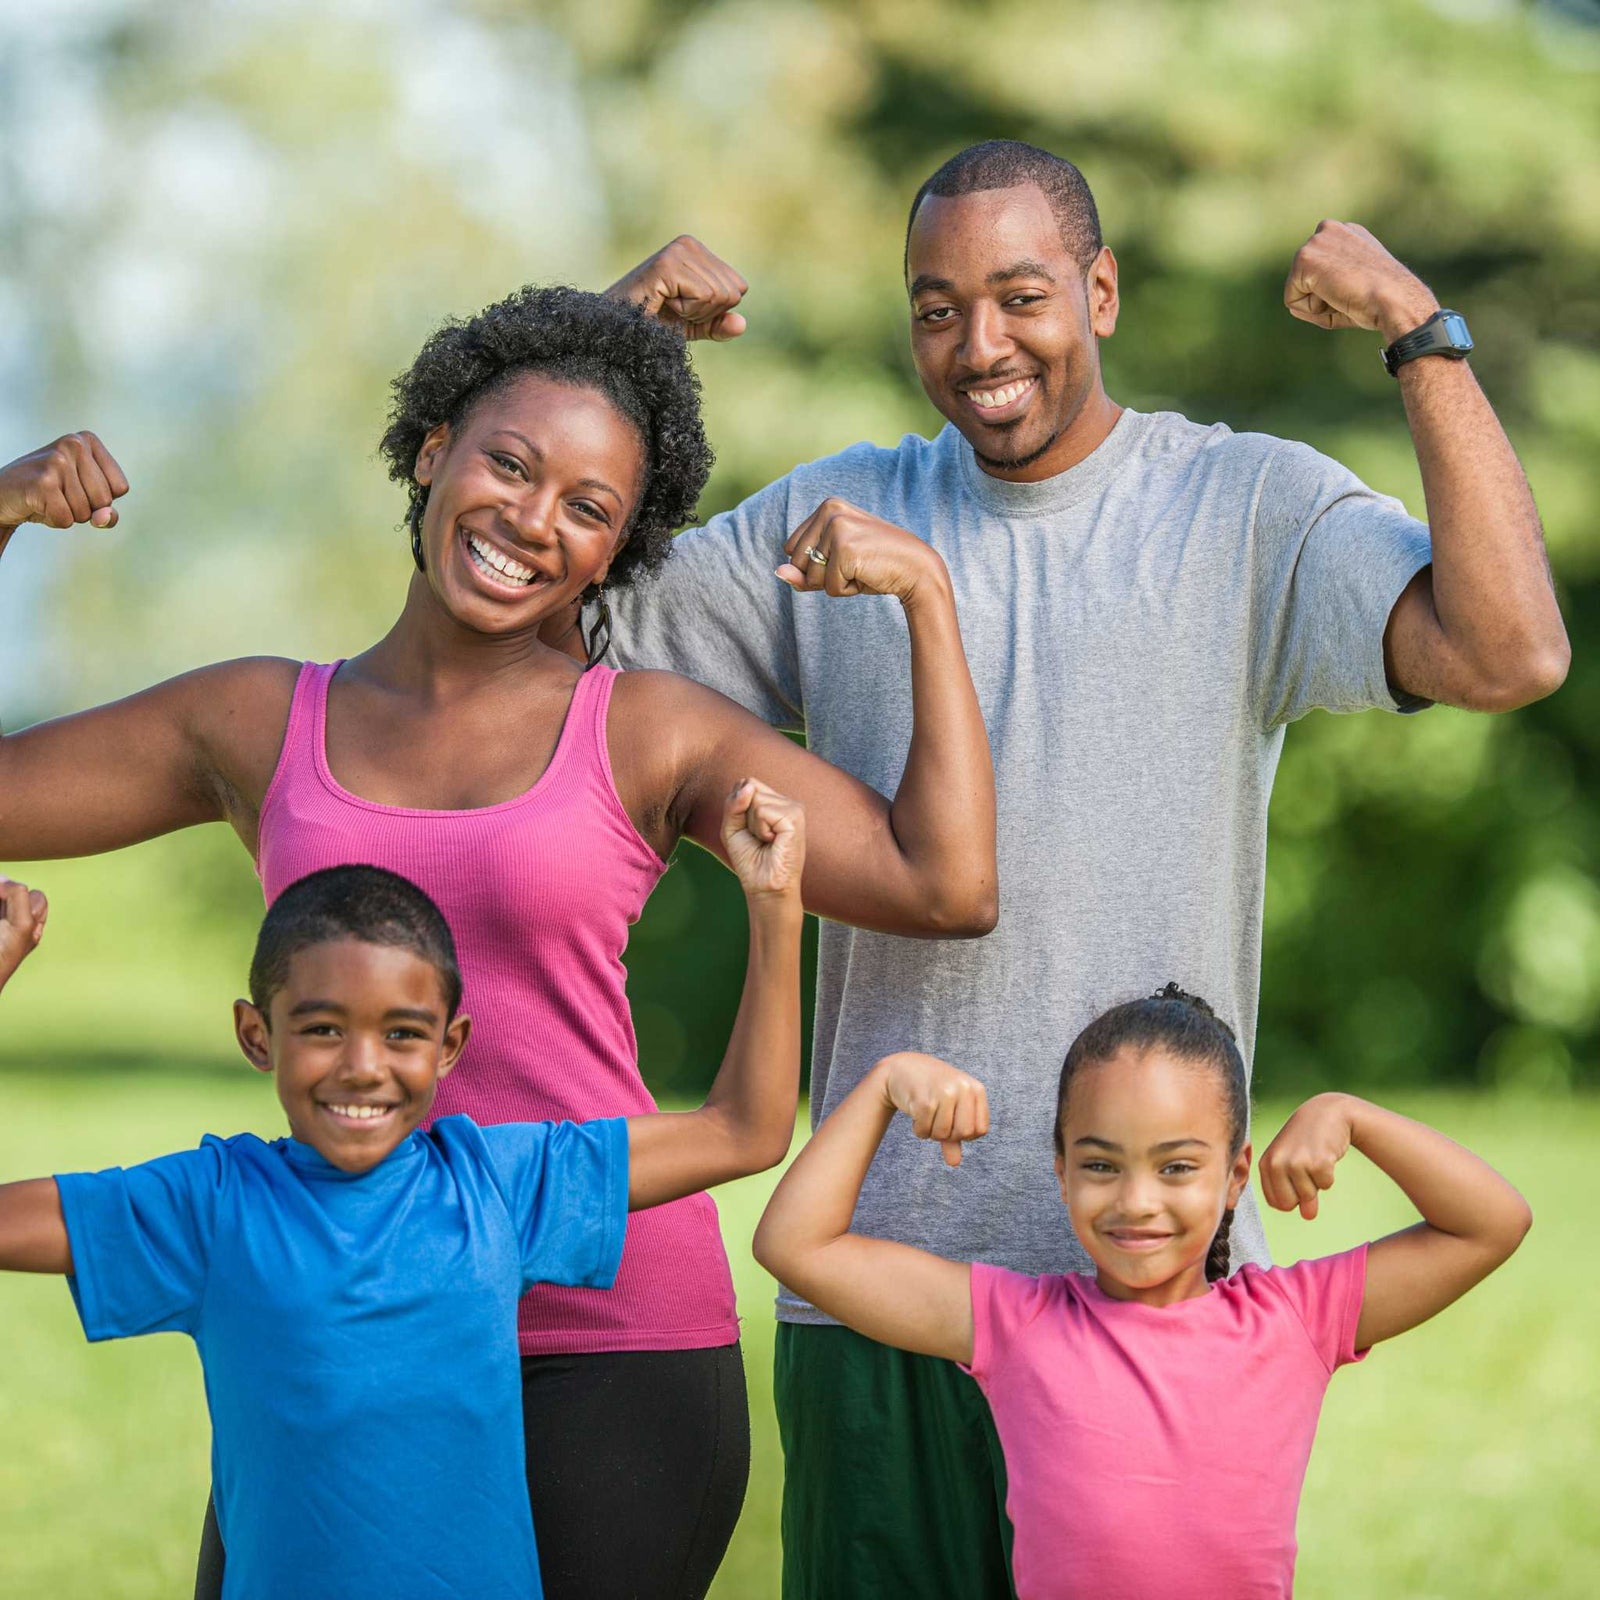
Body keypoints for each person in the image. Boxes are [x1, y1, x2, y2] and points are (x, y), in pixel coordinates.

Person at [583, 141, 1569, 1595]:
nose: (979, 346)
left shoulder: (1245, 508)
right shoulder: (836, 517)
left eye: (1022, 296)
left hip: (1157, 1307)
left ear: (1101, 291)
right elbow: (545, 629)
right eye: (936, 308)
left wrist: (1416, 333)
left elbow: (1511, 650)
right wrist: (609, 357)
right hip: (881, 1289)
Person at [0, 287, 996, 1600]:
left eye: (588, 507)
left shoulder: (646, 729)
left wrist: (925, 596)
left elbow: (944, 881)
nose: (533, 519)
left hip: (610, 1333)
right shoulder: (252, 720)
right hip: (336, 1318)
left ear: (614, 552)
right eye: (509, 464)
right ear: (431, 450)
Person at [0, 776, 807, 1600]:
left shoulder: (496, 1186)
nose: (362, 1065)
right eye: (321, 1029)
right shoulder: (209, 1207)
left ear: (450, 1045)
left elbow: (744, 1129)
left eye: (402, 1034)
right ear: (256, 1035)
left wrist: (774, 904)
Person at [751, 986, 1532, 1600]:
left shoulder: (1292, 1319)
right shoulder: (1012, 1323)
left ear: (1235, 1177)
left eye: (1177, 1166)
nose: (1136, 1201)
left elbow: (1491, 1223)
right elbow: (795, 1246)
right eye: (1100, 1165)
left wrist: (1353, 1117)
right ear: (1060, 1171)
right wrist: (885, 1084)